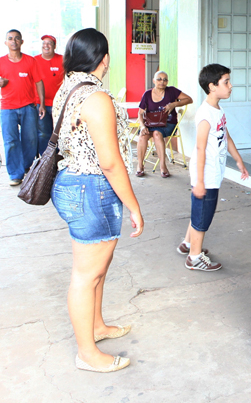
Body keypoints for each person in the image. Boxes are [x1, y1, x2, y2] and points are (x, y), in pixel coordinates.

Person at [50, 28, 144, 373]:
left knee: (96, 270)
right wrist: (134, 205)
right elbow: (110, 161)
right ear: (104, 58)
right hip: (92, 188)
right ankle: (87, 353)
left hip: (74, 184)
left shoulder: (67, 88)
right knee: (86, 275)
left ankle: (97, 326)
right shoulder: (96, 97)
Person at [178, 63, 249, 271]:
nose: (230, 86)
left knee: (199, 212)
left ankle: (188, 244)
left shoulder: (218, 110)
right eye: (226, 82)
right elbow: (200, 149)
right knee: (203, 215)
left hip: (212, 172)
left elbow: (225, 136)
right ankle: (194, 258)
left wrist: (238, 160)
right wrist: (199, 182)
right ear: (212, 87)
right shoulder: (205, 114)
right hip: (205, 174)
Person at [0, 29, 45, 186]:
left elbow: (39, 82)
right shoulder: (1, 62)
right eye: (10, 38)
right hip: (7, 108)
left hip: (28, 107)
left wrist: (42, 104)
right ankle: (15, 174)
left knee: (30, 140)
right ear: (6, 42)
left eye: (17, 38)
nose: (14, 41)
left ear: (22, 42)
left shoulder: (30, 61)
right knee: (11, 141)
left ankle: (25, 166)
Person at [135, 70, 192, 178]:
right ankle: (140, 166)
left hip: (168, 123)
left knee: (157, 134)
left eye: (165, 79)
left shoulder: (172, 91)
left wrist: (174, 104)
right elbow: (140, 113)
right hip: (150, 123)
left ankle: (163, 166)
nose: (162, 81)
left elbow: (189, 99)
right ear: (153, 81)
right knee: (142, 136)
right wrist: (142, 126)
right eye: (159, 79)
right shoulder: (147, 94)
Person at [33, 34, 64, 156]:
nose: (46, 46)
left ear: (54, 46)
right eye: (44, 43)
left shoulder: (62, 59)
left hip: (59, 103)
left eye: (49, 43)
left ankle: (58, 159)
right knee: (43, 133)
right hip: (41, 104)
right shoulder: (34, 60)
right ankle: (45, 159)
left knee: (59, 133)